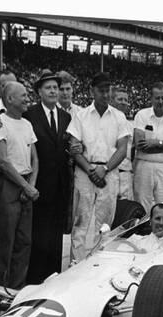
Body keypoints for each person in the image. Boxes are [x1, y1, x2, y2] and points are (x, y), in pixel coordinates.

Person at [67, 72, 130, 262]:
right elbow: (74, 147)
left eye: (108, 90)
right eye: (101, 90)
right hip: (85, 172)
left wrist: (106, 169)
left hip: (108, 173)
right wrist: (90, 170)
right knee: (81, 222)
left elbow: (122, 149)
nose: (105, 94)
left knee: (103, 224)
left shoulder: (119, 117)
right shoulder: (81, 116)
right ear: (92, 91)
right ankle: (75, 266)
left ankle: (97, 265)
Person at [24, 70, 73, 284]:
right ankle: (35, 280)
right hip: (39, 183)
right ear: (39, 92)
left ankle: (53, 279)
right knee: (38, 234)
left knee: (55, 237)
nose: (53, 91)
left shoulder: (66, 117)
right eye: (49, 88)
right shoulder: (30, 115)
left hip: (60, 185)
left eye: (56, 87)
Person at [0, 82, 39, 289]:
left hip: (27, 185)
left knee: (24, 242)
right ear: (10, 99)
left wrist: (31, 186)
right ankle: (0, 289)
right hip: (10, 185)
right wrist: (24, 186)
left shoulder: (27, 124)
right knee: (5, 242)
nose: (27, 99)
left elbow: (35, 159)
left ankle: (17, 287)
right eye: (23, 95)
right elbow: (2, 161)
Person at [132, 82, 163, 213]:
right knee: (142, 205)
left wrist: (156, 143)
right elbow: (140, 145)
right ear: (151, 99)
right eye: (157, 98)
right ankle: (143, 233)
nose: (161, 101)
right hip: (144, 165)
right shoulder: (142, 115)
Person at [111, 86, 134, 201]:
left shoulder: (130, 125)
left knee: (125, 208)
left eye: (125, 100)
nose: (123, 103)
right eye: (120, 99)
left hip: (126, 173)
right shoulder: (105, 121)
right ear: (111, 100)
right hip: (110, 171)